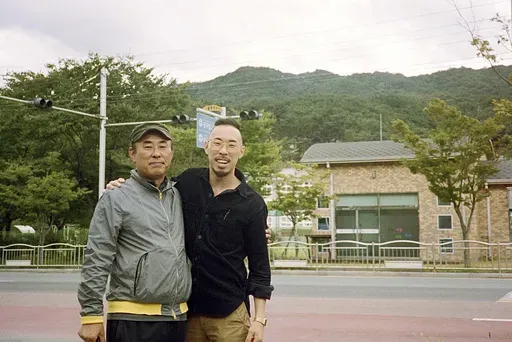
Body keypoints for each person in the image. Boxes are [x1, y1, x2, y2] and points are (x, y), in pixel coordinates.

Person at [108, 118, 274, 342]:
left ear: (241, 151)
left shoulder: (253, 204)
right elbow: (155, 192)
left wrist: (259, 319)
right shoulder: (187, 182)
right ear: (206, 146)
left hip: (230, 313)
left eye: (231, 145)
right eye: (217, 143)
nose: (223, 151)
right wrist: (123, 186)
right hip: (187, 312)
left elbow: (260, 268)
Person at [77, 123, 192, 342]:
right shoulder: (116, 197)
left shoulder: (179, 196)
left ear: (171, 152)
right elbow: (97, 257)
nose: (156, 153)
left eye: (163, 146)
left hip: (177, 318)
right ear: (133, 153)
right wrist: (91, 315)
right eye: (147, 146)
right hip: (132, 319)